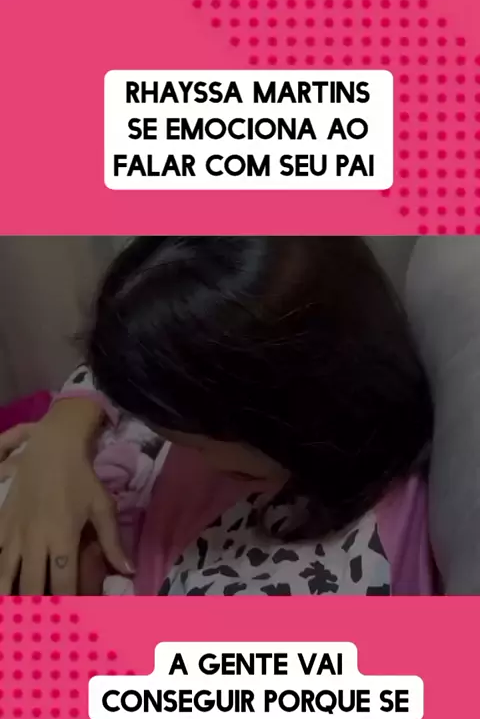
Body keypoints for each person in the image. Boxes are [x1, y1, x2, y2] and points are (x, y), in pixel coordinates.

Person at [0, 236, 435, 596]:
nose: (158, 426)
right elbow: (112, 369)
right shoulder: (245, 405)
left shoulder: (325, 576)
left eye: (179, 429)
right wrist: (62, 437)